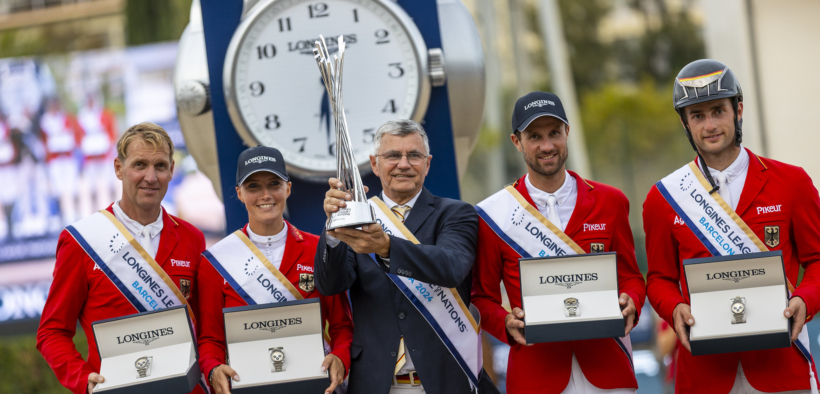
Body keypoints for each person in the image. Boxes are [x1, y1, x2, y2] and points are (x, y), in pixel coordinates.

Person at [643, 59, 820, 393]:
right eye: (697, 115)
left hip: (781, 365)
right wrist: (674, 307)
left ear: (738, 110)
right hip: (704, 372)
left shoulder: (792, 182)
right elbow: (659, 279)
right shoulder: (662, 197)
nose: (710, 125)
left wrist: (806, 299)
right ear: (685, 122)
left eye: (718, 111)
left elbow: (818, 261)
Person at [471, 92, 646, 394]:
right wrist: (506, 323)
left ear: (567, 132)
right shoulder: (491, 215)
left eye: (554, 133)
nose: (547, 146)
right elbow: (481, 298)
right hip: (536, 375)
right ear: (517, 142)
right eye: (534, 136)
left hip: (608, 370)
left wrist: (632, 300)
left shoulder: (611, 201)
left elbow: (631, 276)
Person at [316, 119, 495, 394]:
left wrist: (387, 247)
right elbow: (330, 285)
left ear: (428, 163)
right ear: (375, 164)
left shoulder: (456, 213)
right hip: (376, 383)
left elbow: (451, 267)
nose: (403, 164)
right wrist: (333, 226)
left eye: (414, 155)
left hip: (445, 381)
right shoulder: (357, 216)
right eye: (392, 156)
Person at [36, 122, 206, 394]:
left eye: (160, 166)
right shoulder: (82, 240)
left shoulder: (192, 238)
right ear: (118, 168)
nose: (151, 177)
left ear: (172, 170)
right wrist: (84, 381)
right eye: (139, 165)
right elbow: (52, 333)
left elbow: (205, 331)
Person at [197, 146, 353, 394]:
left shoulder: (319, 249)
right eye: (253, 186)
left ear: (288, 188)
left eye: (274, 184)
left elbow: (342, 326)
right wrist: (213, 368)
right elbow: (210, 339)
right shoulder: (216, 260)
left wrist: (340, 356)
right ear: (239, 193)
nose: (265, 194)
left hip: (314, 385)